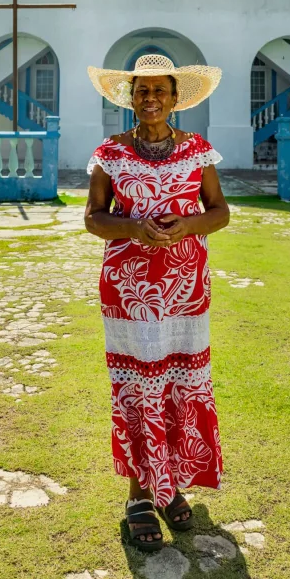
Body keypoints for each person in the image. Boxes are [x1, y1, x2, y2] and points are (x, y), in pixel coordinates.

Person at [85, 53, 231, 551]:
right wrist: (133, 228)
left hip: (186, 288)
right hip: (129, 289)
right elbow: (93, 218)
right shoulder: (110, 153)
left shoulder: (198, 151)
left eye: (159, 91)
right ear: (131, 98)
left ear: (175, 98)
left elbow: (220, 212)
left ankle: (169, 488)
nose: (150, 99)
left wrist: (188, 225)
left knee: (178, 383)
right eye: (141, 91)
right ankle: (138, 497)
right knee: (139, 388)